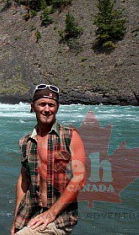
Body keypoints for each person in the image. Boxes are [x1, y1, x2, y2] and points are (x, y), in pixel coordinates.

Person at [11, 84, 86, 234]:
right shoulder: (26, 141)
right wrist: (16, 220)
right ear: (32, 107)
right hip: (30, 213)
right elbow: (23, 181)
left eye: (51, 105)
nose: (47, 109)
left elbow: (80, 178)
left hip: (59, 217)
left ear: (57, 108)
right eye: (42, 104)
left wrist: (51, 213)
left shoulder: (70, 136)